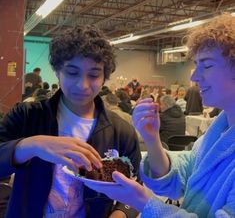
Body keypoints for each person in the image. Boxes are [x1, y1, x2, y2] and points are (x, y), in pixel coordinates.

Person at [83, 13, 235, 217]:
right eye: (196, 66)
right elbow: (181, 176)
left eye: (206, 65)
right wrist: (152, 139)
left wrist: (142, 202)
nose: (194, 76)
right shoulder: (219, 130)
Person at [0, 25, 141, 218]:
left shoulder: (121, 131)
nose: (82, 85)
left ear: (104, 77)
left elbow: (136, 185)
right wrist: (32, 144)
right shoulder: (27, 117)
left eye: (93, 75)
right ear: (57, 71)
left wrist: (120, 214)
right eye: (72, 72)